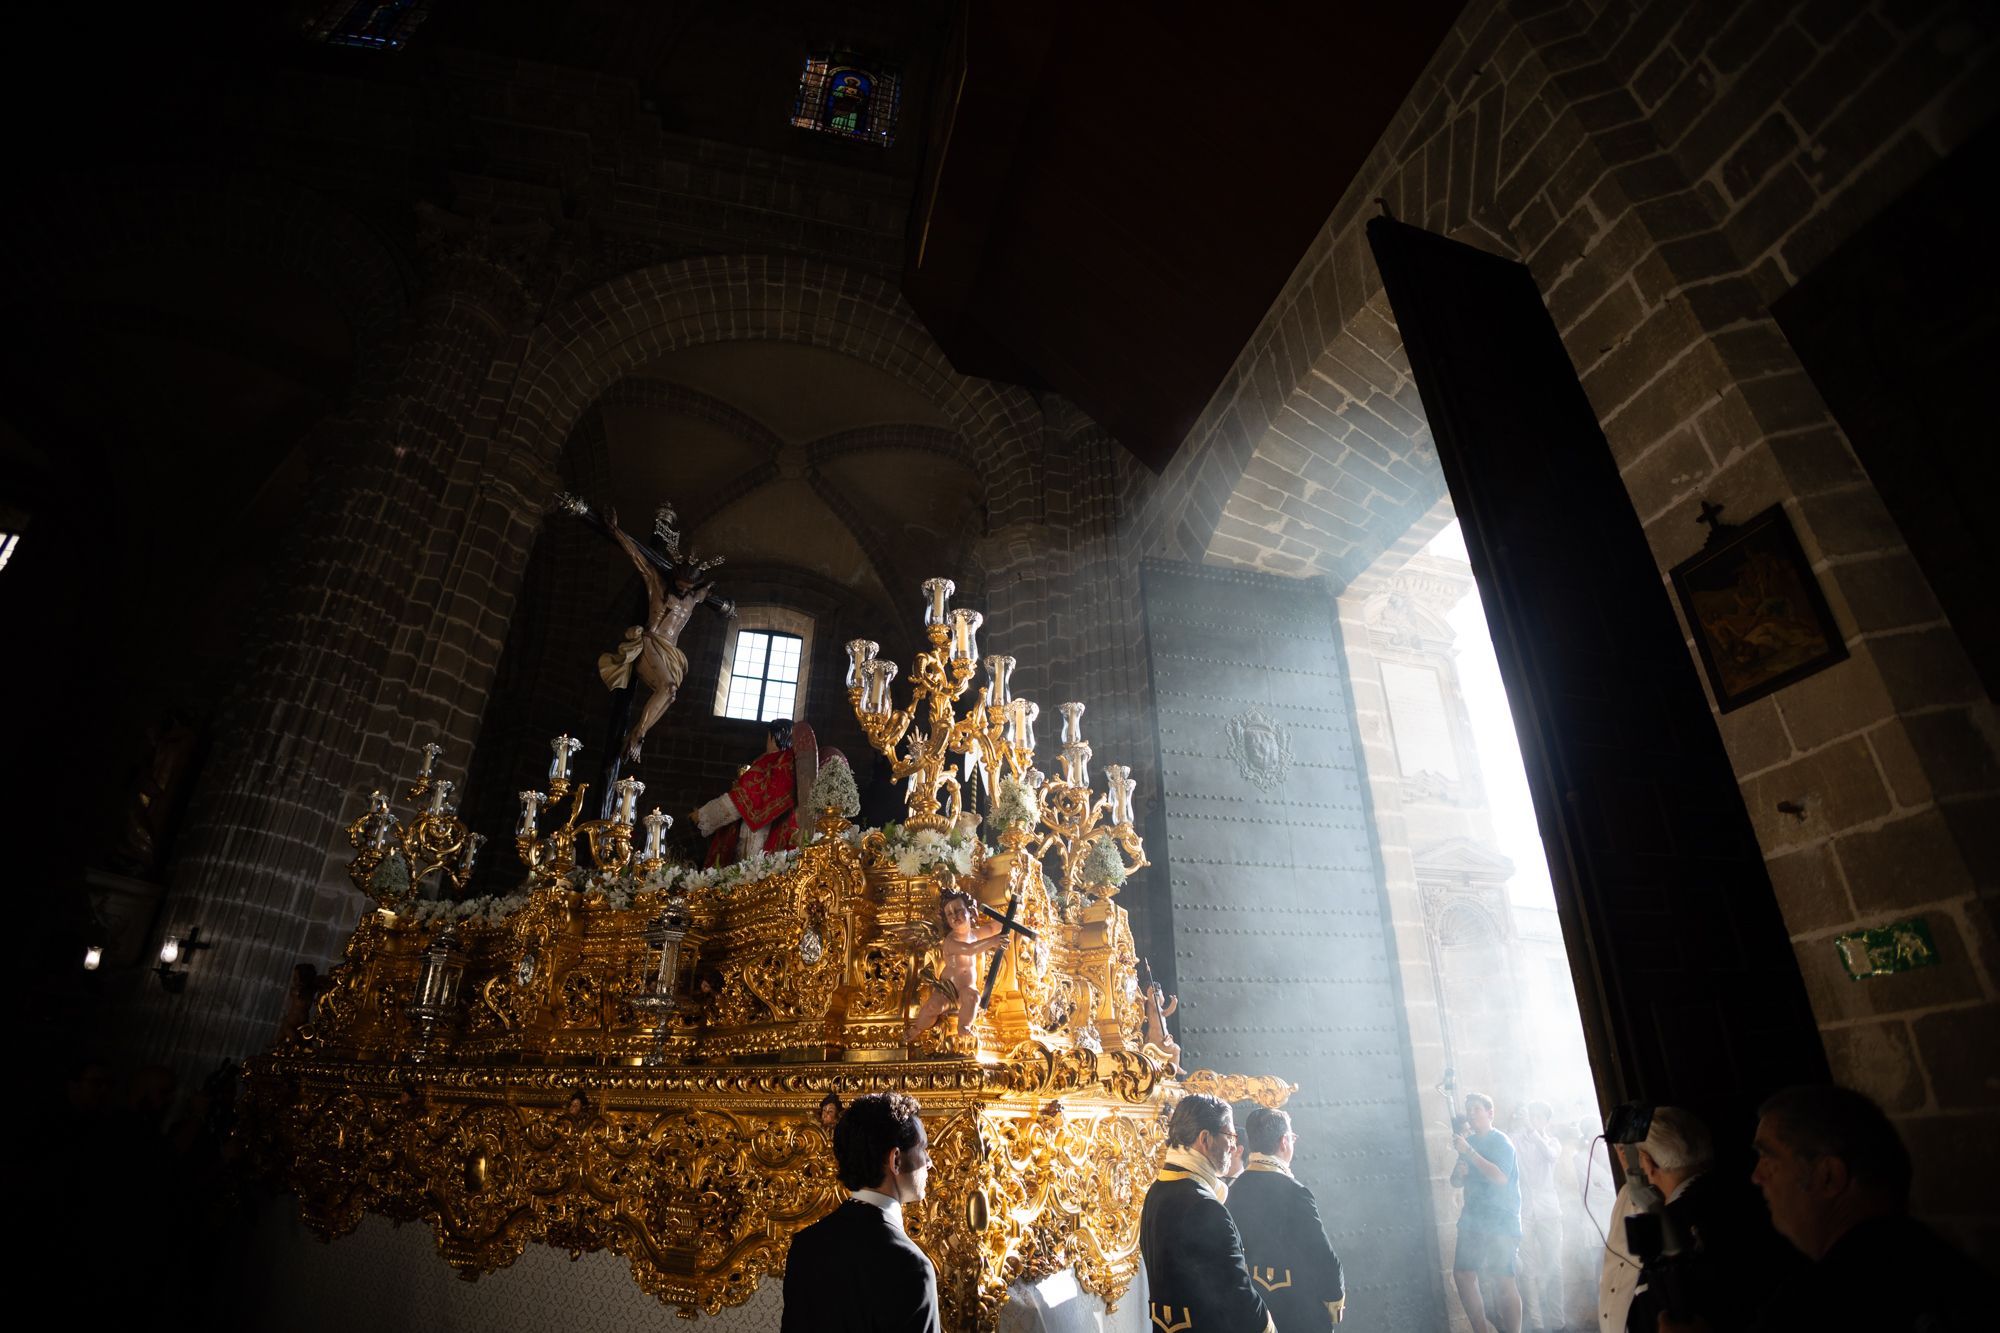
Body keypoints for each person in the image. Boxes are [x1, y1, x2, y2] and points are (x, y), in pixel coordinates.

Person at [561, 496, 732, 765]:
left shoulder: (693, 599)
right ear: (674, 577)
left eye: (688, 587)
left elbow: (705, 593)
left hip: (671, 653)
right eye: (680, 584)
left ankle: (638, 734)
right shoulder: (657, 585)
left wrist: (722, 603)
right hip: (650, 642)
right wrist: (616, 530)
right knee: (667, 687)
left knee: (671, 691)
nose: (682, 590)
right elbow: (637, 557)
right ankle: (637, 736)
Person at [781, 1091, 940, 1333]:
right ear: (895, 1160)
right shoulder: (912, 1267)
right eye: (923, 1149)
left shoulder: (806, 1245)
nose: (929, 1162)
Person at [1140, 1092, 1274, 1333]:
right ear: (1205, 1139)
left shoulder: (1157, 1191)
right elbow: (1238, 1295)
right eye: (1229, 1135)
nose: (1234, 1145)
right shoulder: (1204, 1206)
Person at [1226, 1107, 1346, 1329]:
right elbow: (1321, 1253)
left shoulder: (1235, 1189)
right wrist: (1334, 1296)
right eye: (1292, 1137)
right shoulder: (1294, 1191)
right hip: (1296, 1310)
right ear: (1283, 1142)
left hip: (1253, 1310)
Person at [1451, 1091, 1523, 1333]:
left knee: (1503, 1279)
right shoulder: (1469, 1142)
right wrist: (1459, 1173)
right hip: (1473, 1219)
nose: (1471, 1115)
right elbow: (1455, 1181)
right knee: (1462, 1274)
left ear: (1490, 1113)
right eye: (1469, 1110)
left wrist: (1469, 1153)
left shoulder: (1501, 1141)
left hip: (1501, 1219)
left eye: (1476, 1110)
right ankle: (1480, 1329)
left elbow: (1500, 1178)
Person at [904, 889, 1008, 1047]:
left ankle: (964, 1027)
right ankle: (918, 1028)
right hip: (947, 989)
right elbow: (970, 949)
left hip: (966, 987)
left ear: (970, 911)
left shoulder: (974, 934)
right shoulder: (951, 941)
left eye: (958, 910)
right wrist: (993, 942)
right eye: (949, 914)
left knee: (973, 997)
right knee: (933, 1006)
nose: (954, 916)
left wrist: (1010, 921)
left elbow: (993, 929)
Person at [694, 717, 798, 865]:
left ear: (773, 738)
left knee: (749, 871)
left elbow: (739, 800)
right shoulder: (792, 764)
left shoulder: (769, 762)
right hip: (783, 832)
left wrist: (703, 815)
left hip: (759, 833)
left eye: (768, 738)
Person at [1515, 1102, 1564, 1333]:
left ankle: (1558, 1322)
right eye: (1530, 1115)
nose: (1533, 1119)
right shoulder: (1516, 1140)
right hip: (1524, 1211)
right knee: (1528, 1270)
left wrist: (1533, 1132)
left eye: (1538, 1117)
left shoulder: (1552, 1142)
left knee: (1554, 1266)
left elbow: (1550, 1156)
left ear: (1547, 1121)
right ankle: (1537, 1325)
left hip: (1548, 1211)